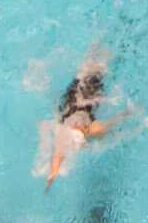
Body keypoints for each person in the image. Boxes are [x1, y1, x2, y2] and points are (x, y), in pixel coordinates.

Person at [45, 49, 123, 187]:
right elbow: (114, 122)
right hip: (85, 97)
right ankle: (99, 48)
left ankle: (98, 47)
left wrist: (53, 173)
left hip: (76, 96)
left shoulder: (68, 130)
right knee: (94, 70)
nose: (78, 125)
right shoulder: (92, 129)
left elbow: (58, 154)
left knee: (90, 70)